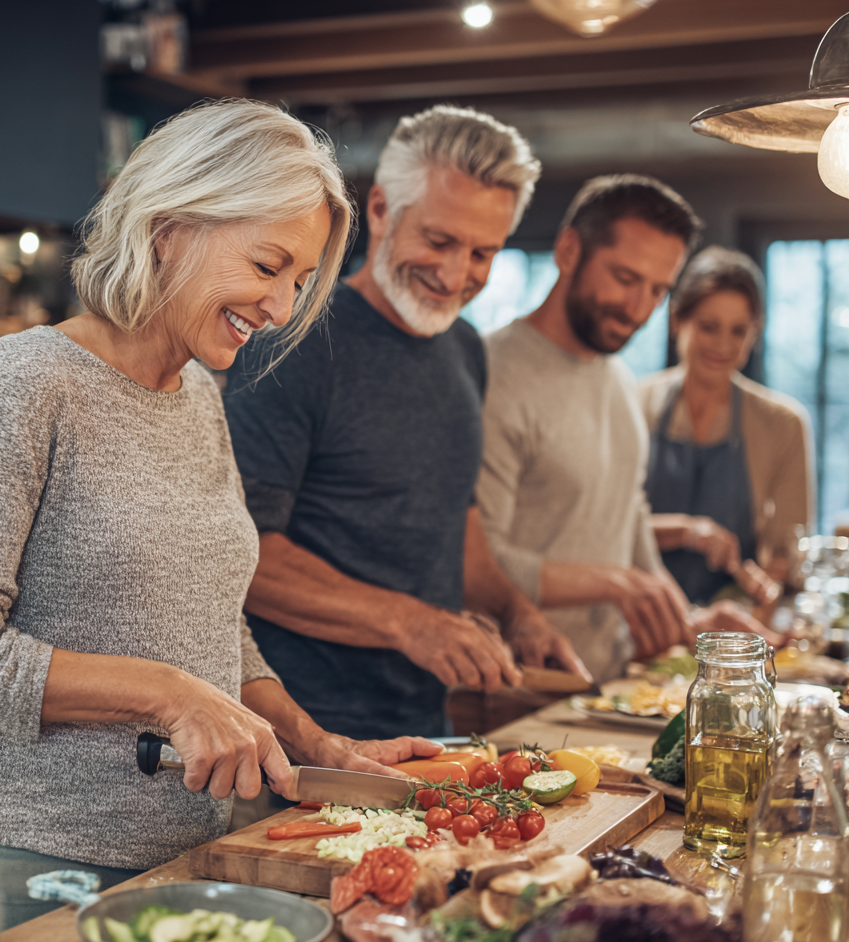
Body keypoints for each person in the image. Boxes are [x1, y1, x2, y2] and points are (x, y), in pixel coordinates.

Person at [0, 100, 441, 930]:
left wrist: (315, 745)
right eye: (268, 264)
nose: (282, 306)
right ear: (172, 227)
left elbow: (213, 622)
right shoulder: (27, 381)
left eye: (299, 279)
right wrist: (164, 695)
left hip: (187, 860)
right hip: (37, 870)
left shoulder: (198, 398)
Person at [223, 105, 589, 742]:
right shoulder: (294, 339)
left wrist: (514, 612)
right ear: (385, 210)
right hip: (299, 733)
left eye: (483, 253)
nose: (456, 275)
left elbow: (459, 523)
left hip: (422, 725)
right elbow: (240, 556)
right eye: (440, 242)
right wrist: (410, 622)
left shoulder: (465, 348)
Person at [477, 175, 778, 684]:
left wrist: (690, 623)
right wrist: (617, 584)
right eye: (624, 277)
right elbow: (474, 562)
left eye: (658, 289)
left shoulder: (618, 378)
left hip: (606, 683)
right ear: (569, 250)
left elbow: (626, 515)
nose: (639, 307)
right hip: (516, 685)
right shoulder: (491, 373)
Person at [639, 246, 814, 604]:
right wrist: (691, 532)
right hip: (638, 613)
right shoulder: (632, 404)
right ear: (677, 320)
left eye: (738, 331)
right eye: (708, 326)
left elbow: (787, 546)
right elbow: (607, 527)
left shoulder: (783, 424)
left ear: (755, 334)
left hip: (732, 624)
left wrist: (767, 581)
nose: (722, 344)